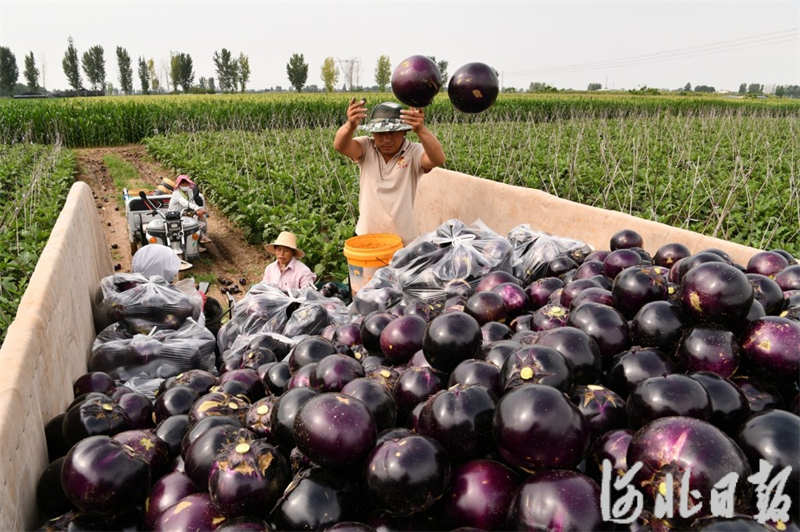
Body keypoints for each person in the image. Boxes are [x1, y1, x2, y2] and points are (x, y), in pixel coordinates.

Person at [334, 99, 446, 245]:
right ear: (372, 132)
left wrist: (420, 129)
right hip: (368, 236)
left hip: (403, 240)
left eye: (393, 132)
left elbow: (437, 159)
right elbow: (339, 146)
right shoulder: (366, 147)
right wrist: (350, 125)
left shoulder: (413, 152)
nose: (386, 139)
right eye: (380, 133)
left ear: (405, 131)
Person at [169, 175, 212, 250]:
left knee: (200, 217)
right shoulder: (176, 193)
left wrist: (200, 209)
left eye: (186, 184)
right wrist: (196, 209)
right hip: (175, 214)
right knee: (194, 220)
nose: (185, 185)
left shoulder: (189, 192)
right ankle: (200, 238)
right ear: (179, 185)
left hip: (185, 212)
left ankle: (200, 238)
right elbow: (184, 202)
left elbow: (192, 202)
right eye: (183, 184)